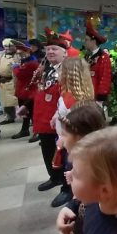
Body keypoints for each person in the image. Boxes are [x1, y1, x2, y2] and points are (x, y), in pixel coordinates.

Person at [51, 58, 96, 207]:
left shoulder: (76, 100)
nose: (58, 74)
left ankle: (77, 198)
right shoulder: (67, 94)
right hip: (66, 141)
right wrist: (55, 116)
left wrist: (63, 138)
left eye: (61, 71)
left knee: (73, 170)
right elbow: (61, 112)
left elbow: (76, 126)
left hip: (73, 144)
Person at [34, 30, 69, 194]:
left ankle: (66, 185)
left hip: (60, 120)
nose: (50, 52)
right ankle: (54, 177)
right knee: (47, 150)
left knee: (62, 154)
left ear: (65, 52)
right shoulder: (48, 69)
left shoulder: (68, 71)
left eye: (54, 49)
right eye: (48, 49)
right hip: (44, 119)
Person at [11, 40, 39, 140]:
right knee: (25, 114)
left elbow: (19, 74)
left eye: (21, 53)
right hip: (23, 90)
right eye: (18, 54)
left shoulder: (32, 62)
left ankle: (37, 132)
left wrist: (15, 66)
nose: (19, 55)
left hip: (30, 91)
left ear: (27, 52)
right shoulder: (25, 61)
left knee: (32, 113)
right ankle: (25, 130)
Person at [82, 19, 111, 107]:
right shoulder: (87, 56)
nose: (84, 42)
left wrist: (100, 98)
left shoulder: (103, 57)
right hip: (84, 94)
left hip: (95, 96)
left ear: (93, 41)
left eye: (86, 40)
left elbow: (105, 78)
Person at [0, 38, 19, 124]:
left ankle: (28, 118)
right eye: (5, 46)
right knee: (5, 102)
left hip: (13, 81)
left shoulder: (18, 55)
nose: (7, 48)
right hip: (2, 81)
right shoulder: (0, 54)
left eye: (9, 46)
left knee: (17, 100)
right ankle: (9, 118)